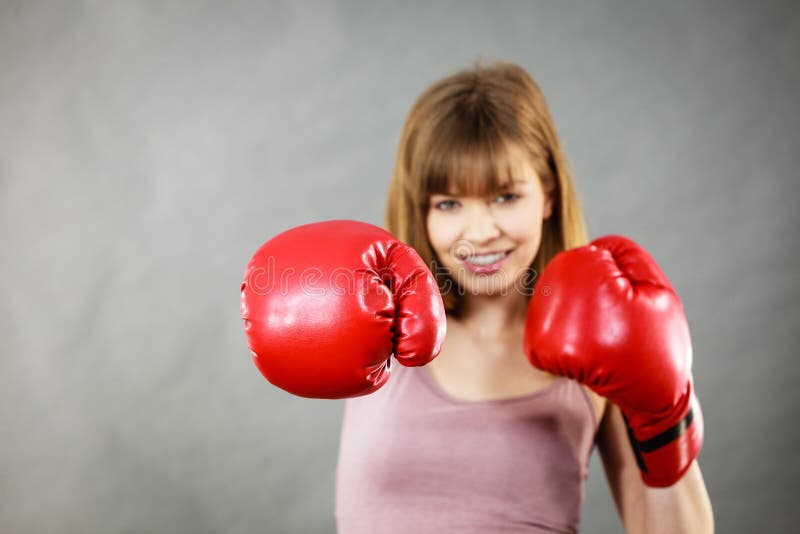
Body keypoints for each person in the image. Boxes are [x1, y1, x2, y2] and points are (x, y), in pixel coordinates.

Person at [240, 61, 714, 533]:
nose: (481, 232)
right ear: (422, 212)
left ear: (548, 196)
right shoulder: (382, 325)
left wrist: (664, 410)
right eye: (449, 203)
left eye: (505, 196)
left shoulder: (602, 343)